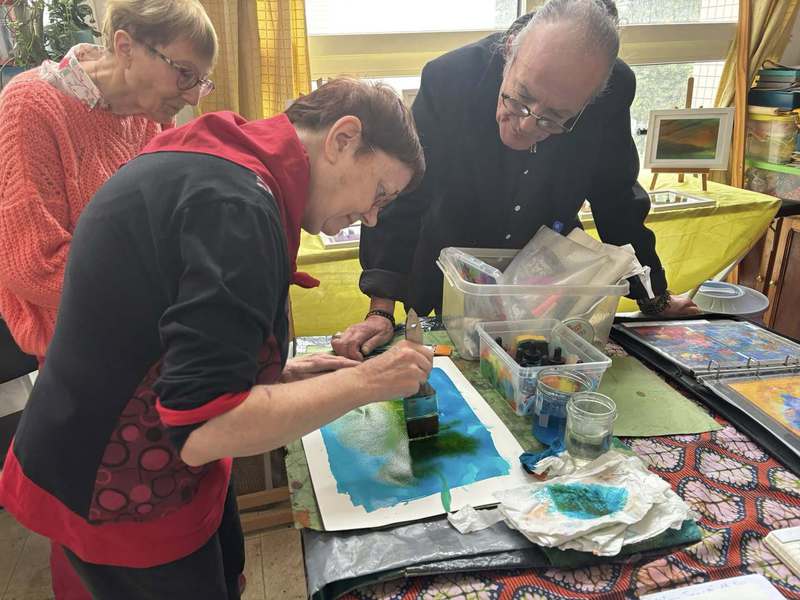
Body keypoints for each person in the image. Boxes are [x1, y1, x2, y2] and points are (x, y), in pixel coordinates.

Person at [0, 77, 432, 599]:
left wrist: (274, 372)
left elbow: (165, 324)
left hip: (111, 447)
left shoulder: (224, 157)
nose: (372, 217)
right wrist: (368, 382)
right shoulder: (235, 207)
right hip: (118, 486)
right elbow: (205, 427)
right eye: (380, 193)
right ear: (343, 139)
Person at [332, 0, 701, 361]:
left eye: (554, 117)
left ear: (592, 98)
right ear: (509, 51)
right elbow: (406, 195)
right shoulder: (450, 79)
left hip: (545, 280)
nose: (526, 125)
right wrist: (381, 310)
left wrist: (654, 298)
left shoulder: (614, 88)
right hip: (453, 275)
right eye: (521, 98)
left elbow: (616, 197)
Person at [0, 1, 219, 597]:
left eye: (200, 81)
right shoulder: (31, 105)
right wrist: (164, 295)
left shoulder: (144, 119)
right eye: (184, 74)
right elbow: (31, 262)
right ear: (125, 46)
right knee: (99, 536)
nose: (192, 95)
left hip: (146, 346)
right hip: (83, 356)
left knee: (167, 523)